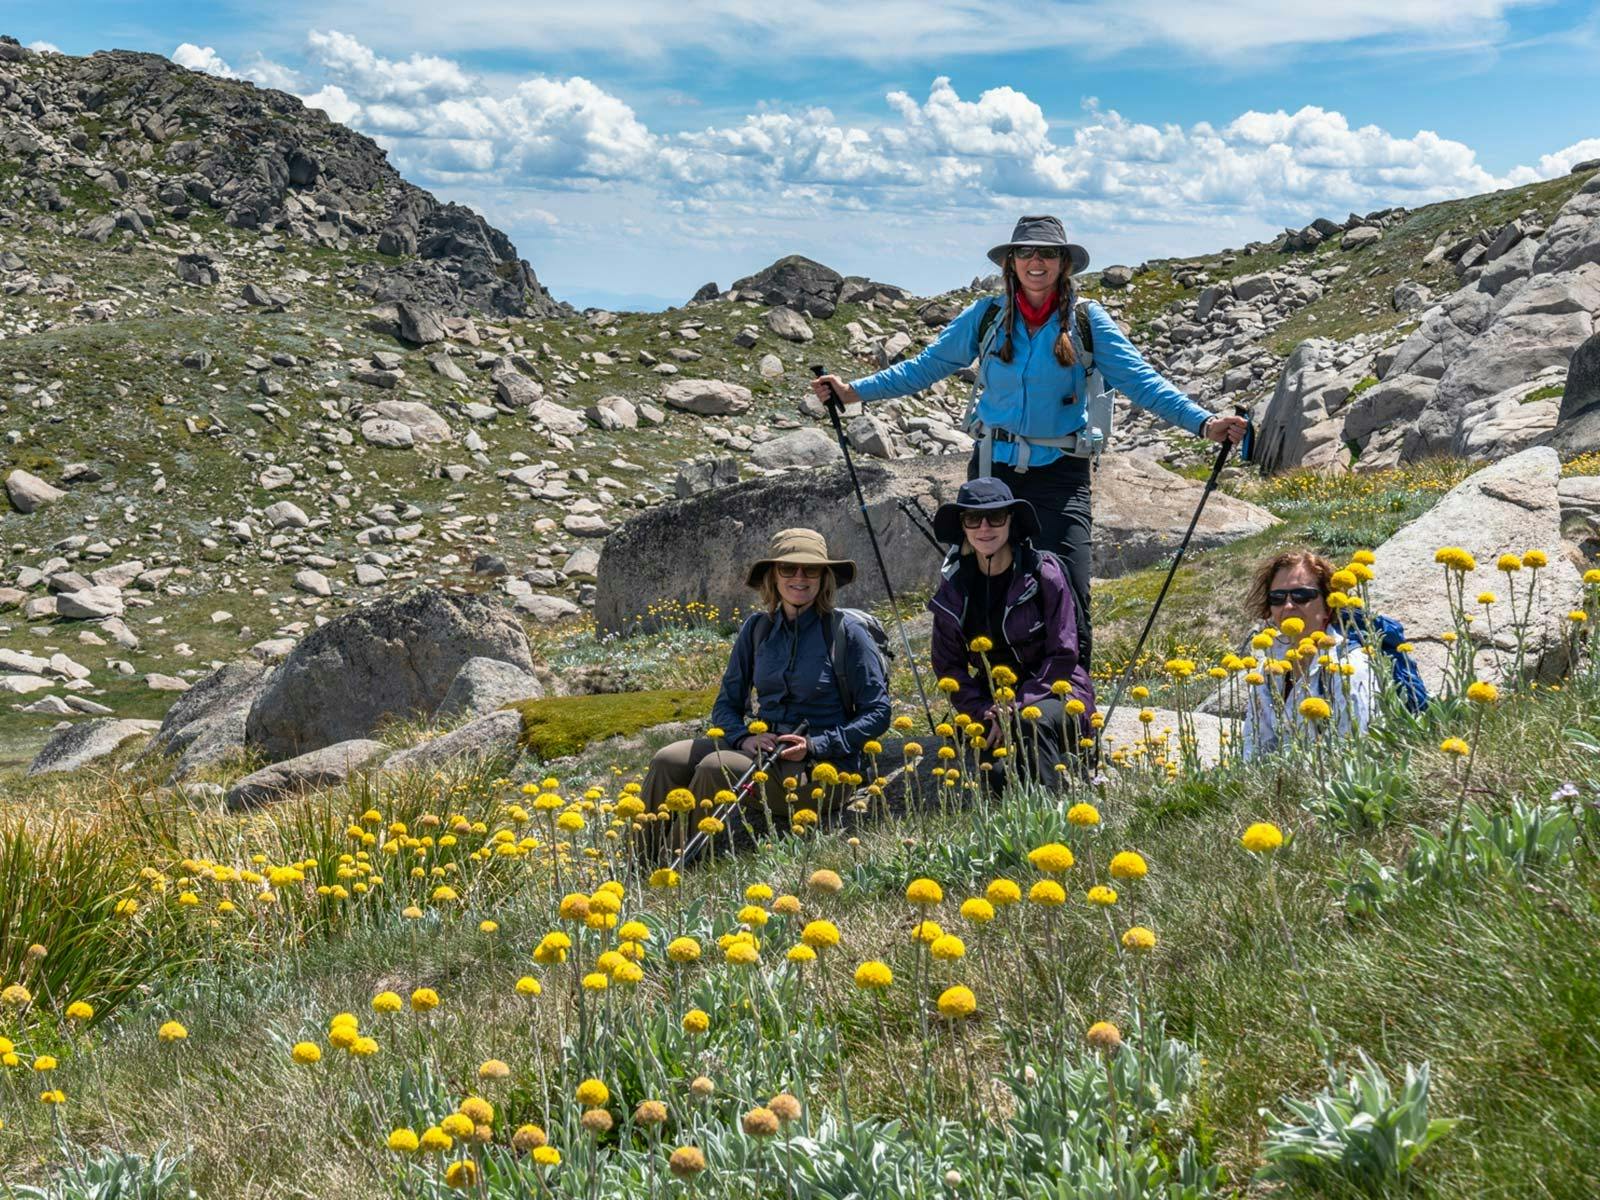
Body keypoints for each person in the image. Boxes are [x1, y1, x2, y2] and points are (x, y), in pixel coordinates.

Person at [813, 214, 1247, 667]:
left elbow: (1141, 381)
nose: (1035, 261)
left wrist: (1202, 423)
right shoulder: (985, 317)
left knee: (1069, 588)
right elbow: (925, 366)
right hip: (991, 472)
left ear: (1063, 263)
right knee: (982, 584)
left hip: (1061, 475)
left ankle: (1069, 711)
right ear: (1012, 262)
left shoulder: (1086, 320)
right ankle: (985, 706)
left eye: (1047, 253)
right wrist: (854, 392)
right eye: (1025, 252)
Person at [641, 528, 892, 850]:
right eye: (788, 568)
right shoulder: (757, 629)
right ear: (773, 576)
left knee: (716, 768)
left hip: (822, 768)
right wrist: (743, 738)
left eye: (810, 569)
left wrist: (814, 745)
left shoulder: (848, 632)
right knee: (666, 759)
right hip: (762, 752)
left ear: (824, 576)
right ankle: (640, 861)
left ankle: (677, 868)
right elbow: (727, 704)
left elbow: (879, 713)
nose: (799, 577)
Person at [928, 478, 1095, 785]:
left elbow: (1064, 653)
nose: (984, 528)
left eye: (996, 517)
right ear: (963, 526)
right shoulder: (953, 585)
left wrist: (1017, 707)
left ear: (1011, 522)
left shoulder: (1044, 572)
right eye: (972, 519)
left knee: (1032, 724)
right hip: (992, 705)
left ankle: (1052, 815)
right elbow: (947, 665)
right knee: (998, 774)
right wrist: (983, 711)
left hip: (1057, 691)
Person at [1240, 550, 1376, 759]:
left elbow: (1355, 749)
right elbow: (1255, 743)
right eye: (1277, 598)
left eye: (1301, 595)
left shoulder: (1347, 665)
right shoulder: (1270, 668)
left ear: (1328, 603)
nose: (1288, 606)